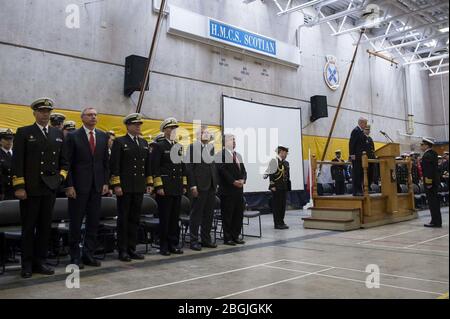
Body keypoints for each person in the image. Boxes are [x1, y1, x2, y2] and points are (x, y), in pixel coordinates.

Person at [12, 98, 69, 278]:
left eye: (48, 112)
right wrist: (19, 186)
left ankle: (40, 262)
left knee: (45, 227)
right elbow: (17, 162)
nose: (45, 114)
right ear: (34, 113)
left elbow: (65, 161)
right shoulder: (24, 132)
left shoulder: (57, 134)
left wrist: (60, 178)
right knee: (29, 228)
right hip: (30, 188)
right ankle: (26, 264)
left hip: (49, 188)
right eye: (42, 111)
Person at [65, 107, 110, 268]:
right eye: (90, 115)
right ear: (82, 118)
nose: (93, 117)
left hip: (97, 186)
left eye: (95, 115)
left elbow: (105, 163)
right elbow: (67, 164)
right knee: (76, 223)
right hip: (78, 187)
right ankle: (75, 255)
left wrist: (105, 182)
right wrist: (69, 185)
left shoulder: (103, 136)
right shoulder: (73, 136)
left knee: (93, 222)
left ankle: (88, 254)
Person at [110, 113, 153, 262]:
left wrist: (149, 183)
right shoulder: (120, 142)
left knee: (135, 219)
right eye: (135, 124)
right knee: (123, 219)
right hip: (125, 187)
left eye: (140, 124)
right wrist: (116, 184)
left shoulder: (143, 143)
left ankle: (132, 248)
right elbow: (114, 165)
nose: (138, 127)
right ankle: (122, 250)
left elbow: (147, 166)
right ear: (128, 126)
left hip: (139, 186)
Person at [152, 117, 188, 256]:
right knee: (165, 218)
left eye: (175, 128)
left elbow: (182, 167)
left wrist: (184, 184)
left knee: (174, 218)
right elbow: (155, 167)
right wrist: (158, 186)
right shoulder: (159, 146)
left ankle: (174, 244)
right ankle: (164, 246)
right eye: (171, 128)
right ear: (165, 130)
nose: (173, 130)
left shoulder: (178, 146)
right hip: (165, 187)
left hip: (177, 187)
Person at [185, 125, 218, 251]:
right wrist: (192, 185)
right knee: (196, 214)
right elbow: (190, 167)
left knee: (209, 215)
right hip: (199, 186)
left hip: (210, 186)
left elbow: (212, 167)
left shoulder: (210, 148)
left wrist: (215, 183)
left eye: (208, 133)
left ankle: (206, 239)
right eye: (205, 132)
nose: (208, 135)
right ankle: (194, 240)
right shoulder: (193, 147)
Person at [216, 134, 247, 245]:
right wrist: (233, 181)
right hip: (227, 190)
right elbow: (222, 171)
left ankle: (235, 236)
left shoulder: (238, 155)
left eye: (234, 140)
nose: (234, 142)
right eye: (231, 140)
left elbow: (243, 171)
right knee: (228, 215)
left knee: (238, 215)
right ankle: (227, 238)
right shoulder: (220, 155)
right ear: (225, 142)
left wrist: (243, 180)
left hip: (239, 190)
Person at [265, 145, 291, 229]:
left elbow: (287, 176)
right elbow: (271, 174)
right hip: (276, 187)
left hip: (284, 187)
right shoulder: (274, 161)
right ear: (281, 152)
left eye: (286, 153)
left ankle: (281, 221)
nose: (286, 154)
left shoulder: (286, 163)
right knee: (277, 206)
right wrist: (272, 185)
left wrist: (288, 186)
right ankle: (277, 223)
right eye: (285, 153)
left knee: (283, 205)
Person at [420, 137, 442, 228]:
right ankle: (437, 221)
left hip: (430, 183)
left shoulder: (427, 155)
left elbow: (428, 171)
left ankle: (434, 222)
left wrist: (428, 183)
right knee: (435, 203)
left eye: (422, 144)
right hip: (435, 182)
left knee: (432, 203)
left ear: (426, 145)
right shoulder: (433, 153)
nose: (421, 146)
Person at [349, 117, 367, 196]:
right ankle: (356, 191)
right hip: (356, 157)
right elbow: (352, 144)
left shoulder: (361, 132)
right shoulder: (355, 131)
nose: (366, 125)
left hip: (361, 157)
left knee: (360, 174)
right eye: (365, 123)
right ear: (361, 123)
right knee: (356, 174)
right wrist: (352, 156)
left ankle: (360, 190)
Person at [0, 129, 15, 200]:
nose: (9, 141)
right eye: (6, 139)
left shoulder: (17, 153)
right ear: (0, 141)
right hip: (4, 190)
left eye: (11, 139)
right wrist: (1, 192)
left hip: (17, 189)